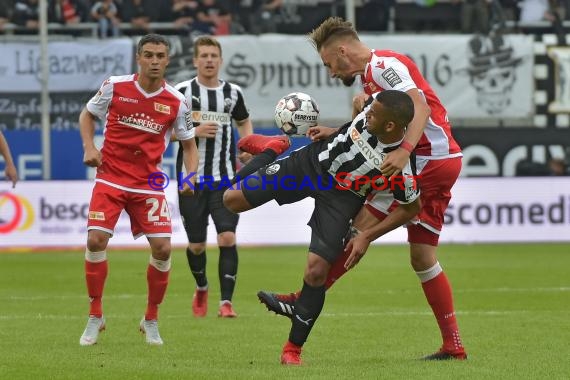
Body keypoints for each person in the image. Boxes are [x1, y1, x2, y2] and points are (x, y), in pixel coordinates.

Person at [256, 16, 467, 361]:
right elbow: (376, 122)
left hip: (427, 160)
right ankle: (453, 345)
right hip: (443, 160)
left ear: (341, 51)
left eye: (328, 64)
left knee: (356, 227)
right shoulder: (371, 81)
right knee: (423, 256)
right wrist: (336, 131)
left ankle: (304, 298)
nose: (330, 72)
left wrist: (403, 151)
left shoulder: (384, 65)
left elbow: (420, 104)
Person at [224, 90, 420, 365]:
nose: (367, 112)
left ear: (390, 126)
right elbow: (357, 100)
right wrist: (336, 130)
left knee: (317, 273)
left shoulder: (400, 166)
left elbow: (411, 208)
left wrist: (367, 235)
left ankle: (292, 350)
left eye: (373, 114)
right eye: (370, 109)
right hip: (310, 163)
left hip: (342, 198)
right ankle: (274, 147)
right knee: (231, 200)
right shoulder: (370, 109)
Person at [78, 34, 198, 346]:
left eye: (160, 55)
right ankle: (95, 315)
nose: (155, 61)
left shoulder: (176, 101)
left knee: (162, 248)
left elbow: (189, 145)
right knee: (95, 239)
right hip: (111, 177)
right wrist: (90, 146)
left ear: (168, 60)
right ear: (139, 58)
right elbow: (87, 115)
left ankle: (151, 319)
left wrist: (190, 176)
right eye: (149, 55)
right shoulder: (115, 86)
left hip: (149, 183)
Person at [174, 35, 254, 318]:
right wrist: (193, 131)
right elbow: (163, 131)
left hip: (226, 179)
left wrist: (247, 146)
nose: (209, 60)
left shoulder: (233, 92)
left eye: (213, 56)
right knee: (196, 245)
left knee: (227, 238)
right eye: (203, 55)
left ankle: (226, 303)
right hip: (190, 181)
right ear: (195, 60)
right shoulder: (182, 91)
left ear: (220, 60)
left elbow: (243, 121)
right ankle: (202, 286)